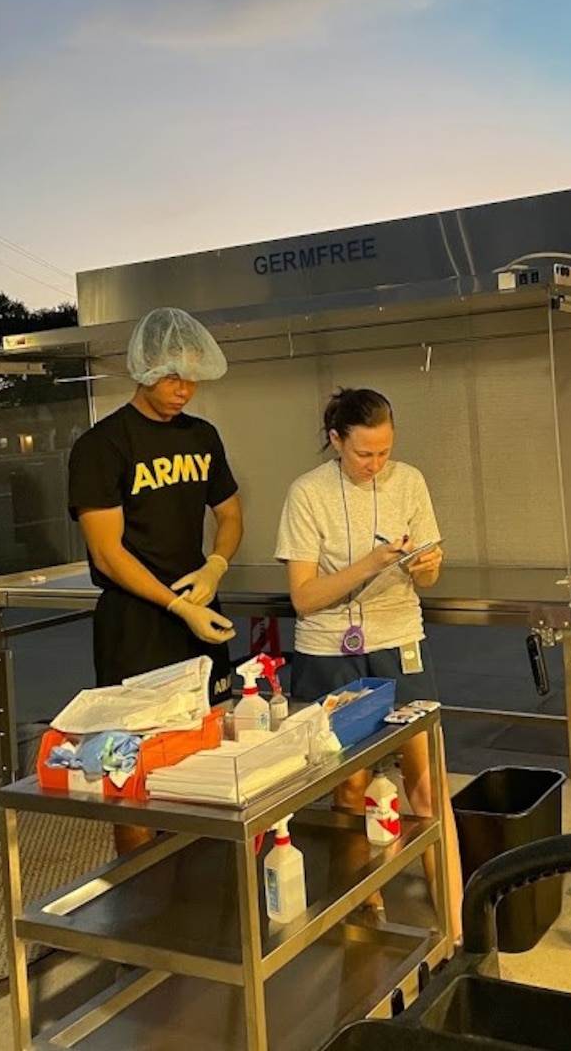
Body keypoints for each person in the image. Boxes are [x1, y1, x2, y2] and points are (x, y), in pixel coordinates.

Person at [274, 387, 462, 941]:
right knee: (350, 787)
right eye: (363, 454)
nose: (375, 465)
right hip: (330, 649)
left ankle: (456, 919)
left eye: (383, 452)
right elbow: (304, 598)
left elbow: (426, 578)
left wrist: (426, 564)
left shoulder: (410, 482)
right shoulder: (307, 494)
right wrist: (369, 564)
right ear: (336, 441)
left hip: (399, 638)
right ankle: (364, 910)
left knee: (426, 782)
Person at [68, 306, 243, 852]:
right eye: (171, 376)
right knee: (133, 768)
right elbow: (107, 550)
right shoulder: (104, 445)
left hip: (196, 614)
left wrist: (215, 567)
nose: (183, 390)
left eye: (191, 377)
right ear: (142, 370)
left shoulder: (203, 436)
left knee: (202, 750)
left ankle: (195, 881)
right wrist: (175, 604)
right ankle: (141, 894)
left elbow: (231, 515)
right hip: (135, 625)